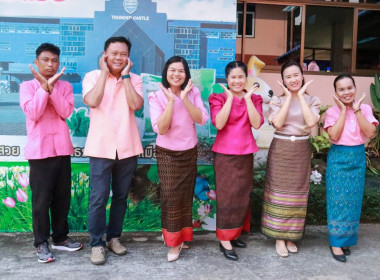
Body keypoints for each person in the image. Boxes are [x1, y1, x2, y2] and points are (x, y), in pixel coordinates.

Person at [82, 36, 143, 265]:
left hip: (127, 148)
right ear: (105, 54)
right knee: (97, 199)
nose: (119, 57)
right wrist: (103, 74)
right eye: (114, 53)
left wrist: (125, 76)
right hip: (100, 148)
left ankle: (113, 238)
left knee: (120, 197)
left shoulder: (134, 79)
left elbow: (135, 104)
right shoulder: (92, 77)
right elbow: (93, 101)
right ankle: (97, 244)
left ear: (128, 57)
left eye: (123, 54)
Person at [19, 43, 83, 263]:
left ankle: (60, 238)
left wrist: (53, 88)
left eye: (54, 60)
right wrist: (44, 87)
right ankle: (41, 243)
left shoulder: (64, 87)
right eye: (45, 60)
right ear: (36, 62)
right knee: (41, 201)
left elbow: (65, 111)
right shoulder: (27, 87)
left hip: (62, 149)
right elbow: (34, 112)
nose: (50, 64)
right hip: (39, 152)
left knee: (62, 199)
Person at [148, 56, 209, 262]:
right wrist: (172, 102)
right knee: (171, 196)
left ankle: (183, 237)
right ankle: (173, 242)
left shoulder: (193, 93)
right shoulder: (157, 96)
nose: (176, 74)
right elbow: (161, 128)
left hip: (189, 151)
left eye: (181, 71)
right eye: (172, 70)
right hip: (167, 153)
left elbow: (201, 119)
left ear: (186, 74)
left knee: (185, 195)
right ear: (166, 72)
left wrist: (184, 98)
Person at [260, 61, 321, 257]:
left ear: (302, 76)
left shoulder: (313, 100)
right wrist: (288, 98)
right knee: (278, 191)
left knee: (297, 193)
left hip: (301, 149)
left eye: (296, 75)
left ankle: (291, 236)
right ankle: (279, 237)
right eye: (288, 77)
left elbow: (311, 122)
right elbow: (277, 123)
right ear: (283, 81)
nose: (293, 79)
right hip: (281, 148)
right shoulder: (277, 101)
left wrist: (300, 96)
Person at [209, 61, 264, 261]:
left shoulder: (255, 98)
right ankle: (224, 240)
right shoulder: (218, 97)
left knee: (243, 195)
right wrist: (231, 100)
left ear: (246, 79)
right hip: (225, 154)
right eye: (233, 77)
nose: (237, 81)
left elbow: (256, 123)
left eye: (241, 77)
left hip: (246, 153)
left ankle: (235, 234)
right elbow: (219, 123)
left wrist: (247, 99)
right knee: (226, 196)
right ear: (227, 79)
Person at [324, 74, 378, 262]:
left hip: (357, 158)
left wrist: (356, 111)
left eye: (349, 88)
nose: (346, 92)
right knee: (337, 199)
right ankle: (336, 242)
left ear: (355, 88)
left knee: (353, 201)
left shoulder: (364, 108)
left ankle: (345, 239)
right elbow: (335, 136)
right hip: (338, 158)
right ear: (336, 92)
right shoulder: (332, 112)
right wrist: (341, 111)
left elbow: (370, 132)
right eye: (341, 89)